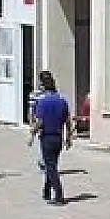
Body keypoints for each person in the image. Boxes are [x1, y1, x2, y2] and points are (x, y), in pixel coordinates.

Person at [27, 71, 74, 206]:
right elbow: (68, 121)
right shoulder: (62, 101)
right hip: (58, 138)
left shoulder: (42, 103)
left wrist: (32, 134)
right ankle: (46, 191)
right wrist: (69, 138)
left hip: (47, 137)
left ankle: (59, 196)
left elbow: (39, 122)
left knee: (51, 167)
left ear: (43, 87)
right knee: (51, 164)